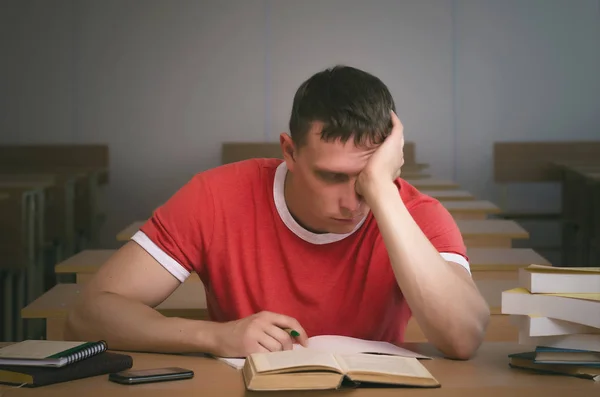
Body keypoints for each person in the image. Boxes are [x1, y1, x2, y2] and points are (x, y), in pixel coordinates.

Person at [65, 65, 490, 360]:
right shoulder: (215, 197)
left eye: (367, 178)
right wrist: (216, 336)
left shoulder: (414, 213)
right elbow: (88, 315)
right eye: (330, 176)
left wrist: (383, 193)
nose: (352, 201)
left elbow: (463, 339)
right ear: (289, 151)